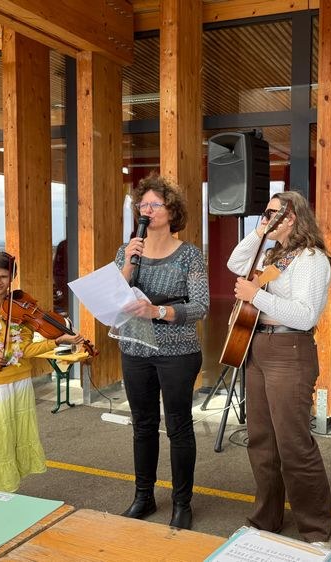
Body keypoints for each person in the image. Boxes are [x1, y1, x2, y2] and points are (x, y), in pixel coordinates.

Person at [227, 190, 331, 548]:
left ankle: (317, 531)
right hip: (257, 346)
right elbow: (235, 263)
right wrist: (259, 232)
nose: (265, 218)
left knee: (293, 444)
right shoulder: (275, 254)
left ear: (291, 218)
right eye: (264, 212)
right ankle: (266, 519)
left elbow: (305, 316)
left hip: (290, 349)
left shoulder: (312, 259)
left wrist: (255, 296)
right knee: (261, 440)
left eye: (271, 213)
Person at [0, 251, 84, 492]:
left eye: (3, 276)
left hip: (19, 383)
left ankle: (7, 490)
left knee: (12, 439)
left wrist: (57, 341)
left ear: (12, 277)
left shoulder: (21, 309)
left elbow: (25, 350)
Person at [116, 173, 209, 530]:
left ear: (171, 211)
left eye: (155, 204)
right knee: (142, 425)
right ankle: (144, 497)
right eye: (143, 204)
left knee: (178, 427)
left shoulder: (190, 255)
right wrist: (127, 264)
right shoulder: (126, 251)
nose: (147, 209)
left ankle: (182, 503)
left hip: (178, 352)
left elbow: (200, 307)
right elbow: (113, 297)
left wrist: (157, 311)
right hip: (134, 348)